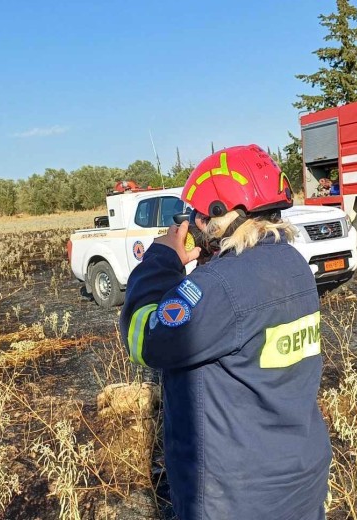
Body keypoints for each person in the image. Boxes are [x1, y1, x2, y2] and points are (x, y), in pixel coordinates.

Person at [120, 145, 331, 520]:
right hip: (299, 484)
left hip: (237, 500)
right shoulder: (292, 265)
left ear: (219, 214)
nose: (194, 226)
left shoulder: (220, 286)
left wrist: (162, 258)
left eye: (197, 216)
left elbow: (144, 338)